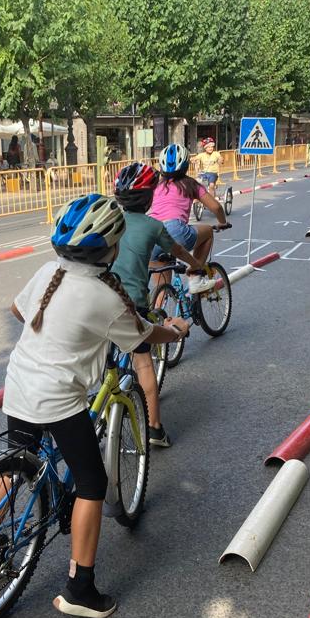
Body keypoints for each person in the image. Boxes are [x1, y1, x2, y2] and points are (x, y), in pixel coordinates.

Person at [2, 194, 187, 618]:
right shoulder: (102, 296)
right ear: (112, 247)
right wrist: (174, 332)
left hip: (19, 385)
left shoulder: (48, 271)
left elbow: (18, 308)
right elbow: (143, 336)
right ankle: (79, 589)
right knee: (92, 482)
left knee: (16, 462)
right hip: (58, 400)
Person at [111, 162, 202, 448]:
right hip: (131, 303)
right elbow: (176, 251)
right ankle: (154, 428)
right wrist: (196, 264)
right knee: (143, 362)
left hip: (98, 299)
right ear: (149, 198)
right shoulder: (153, 225)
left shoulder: (109, 220)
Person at [148, 144, 226, 294]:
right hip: (176, 230)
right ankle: (195, 277)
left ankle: (158, 314)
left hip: (152, 235)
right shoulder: (191, 184)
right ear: (186, 166)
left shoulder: (157, 185)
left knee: (161, 289)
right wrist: (222, 222)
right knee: (208, 231)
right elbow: (216, 207)